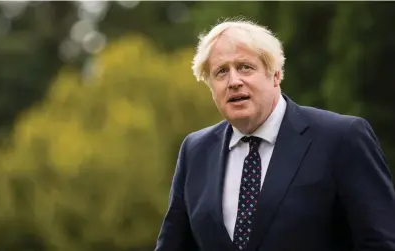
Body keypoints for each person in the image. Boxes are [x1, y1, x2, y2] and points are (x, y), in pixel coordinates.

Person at [154, 18, 395, 251]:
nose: (234, 81)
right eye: (221, 72)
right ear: (211, 87)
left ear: (276, 75)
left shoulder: (342, 138)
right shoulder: (195, 150)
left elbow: (381, 242)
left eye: (245, 67)